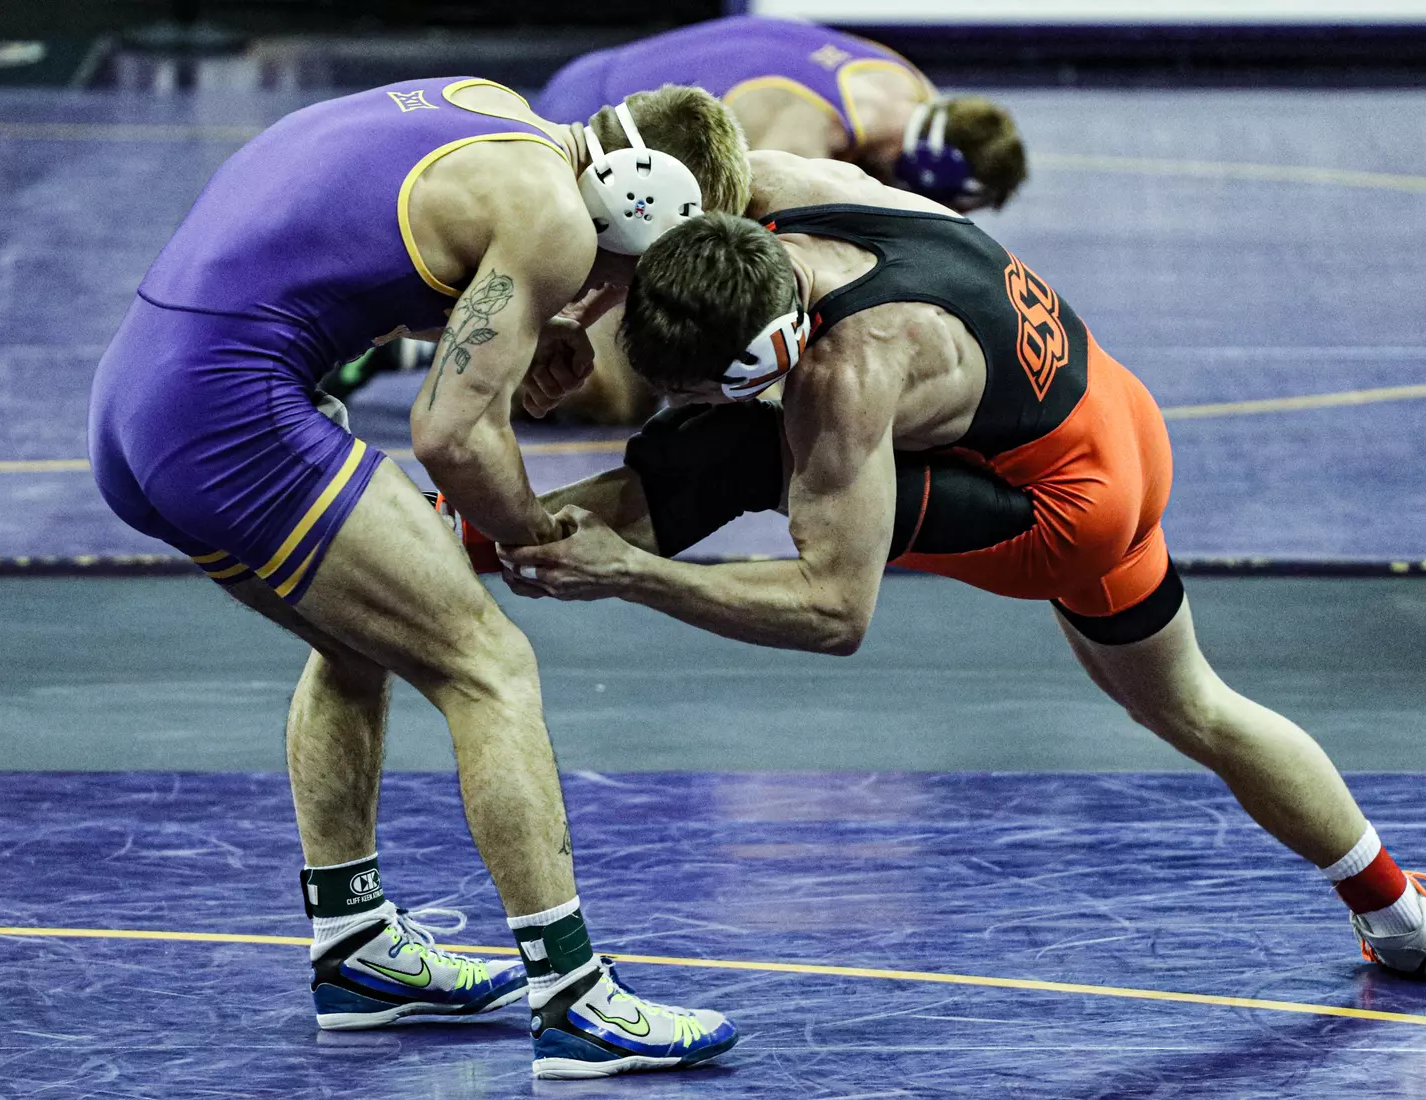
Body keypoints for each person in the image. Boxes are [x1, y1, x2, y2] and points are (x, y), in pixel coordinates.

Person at [497, 151, 1426, 977]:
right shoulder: (793, 186)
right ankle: (1398, 912)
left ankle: (451, 532)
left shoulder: (849, 372)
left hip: (1060, 520)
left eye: (695, 385)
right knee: (1192, 706)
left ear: (768, 351)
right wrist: (573, 311)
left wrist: (632, 574)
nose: (663, 401)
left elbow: (834, 612)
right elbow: (641, 165)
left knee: (730, 452)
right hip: (1116, 420)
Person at [87, 76, 746, 1078]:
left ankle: (356, 948)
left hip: (140, 397)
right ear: (638, 195)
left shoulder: (499, 119)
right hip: (227, 408)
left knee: (360, 641)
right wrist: (533, 534)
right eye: (637, 268)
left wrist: (521, 321)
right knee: (490, 666)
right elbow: (450, 435)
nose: (614, 294)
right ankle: (574, 1000)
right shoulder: (554, 216)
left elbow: (337, 236)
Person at [326, 14, 1028, 419]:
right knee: (614, 389)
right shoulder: (799, 129)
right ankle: (422, 342)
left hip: (627, 88)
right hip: (609, 136)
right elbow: (713, 244)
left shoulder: (911, 87)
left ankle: (474, 326)